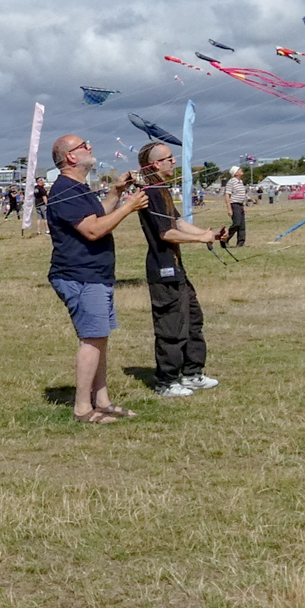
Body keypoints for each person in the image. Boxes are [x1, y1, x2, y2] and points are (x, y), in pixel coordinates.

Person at [44, 134, 147, 424]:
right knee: (91, 340)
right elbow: (93, 230)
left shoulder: (79, 188)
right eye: (83, 145)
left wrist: (116, 192)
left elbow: (97, 215)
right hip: (80, 276)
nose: (90, 147)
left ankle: (102, 401)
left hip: (96, 275)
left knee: (100, 338)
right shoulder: (64, 190)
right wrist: (129, 207)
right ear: (70, 157)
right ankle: (82, 408)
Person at [136, 142, 224, 398]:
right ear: (156, 164)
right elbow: (166, 233)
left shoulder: (161, 189)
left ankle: (192, 372)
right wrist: (199, 238)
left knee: (193, 319)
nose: (174, 162)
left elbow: (177, 222)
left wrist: (209, 234)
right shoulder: (151, 192)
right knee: (171, 326)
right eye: (169, 158)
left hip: (176, 268)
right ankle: (166, 381)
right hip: (162, 269)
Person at [225, 167, 247, 247]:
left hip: (240, 204)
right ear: (235, 173)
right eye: (239, 170)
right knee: (236, 223)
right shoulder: (231, 182)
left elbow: (242, 195)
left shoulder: (240, 182)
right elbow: (227, 195)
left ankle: (241, 243)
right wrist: (229, 208)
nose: (241, 171)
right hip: (234, 204)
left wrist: (244, 206)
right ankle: (225, 238)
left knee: (242, 225)